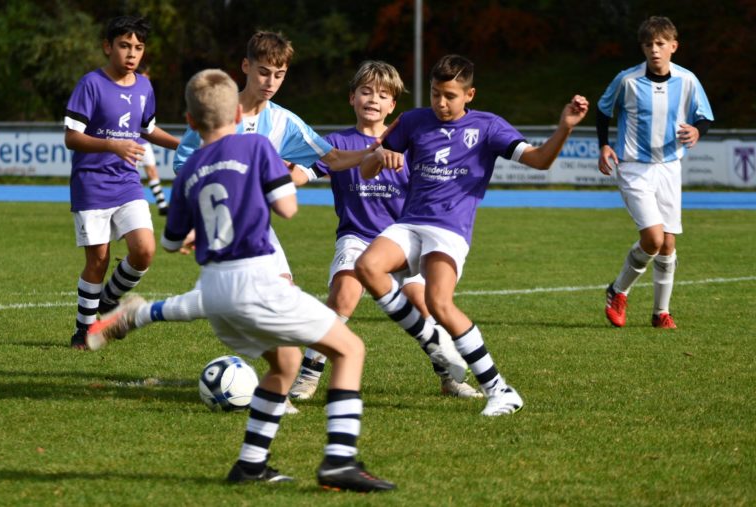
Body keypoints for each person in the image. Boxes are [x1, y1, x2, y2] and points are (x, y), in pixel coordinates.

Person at [139, 68, 394, 491]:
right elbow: (288, 208)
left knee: (285, 363)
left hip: (214, 291)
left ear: (188, 121)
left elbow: (169, 244)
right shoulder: (256, 145)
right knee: (349, 349)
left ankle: (250, 465)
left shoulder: (187, 171)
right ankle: (339, 460)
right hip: (254, 279)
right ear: (238, 115)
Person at [87, 31, 381, 347]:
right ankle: (281, 380)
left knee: (268, 294)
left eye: (279, 75)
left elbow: (333, 159)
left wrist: (372, 151)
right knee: (243, 298)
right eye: (264, 72)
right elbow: (185, 163)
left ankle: (141, 315)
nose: (270, 82)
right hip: (222, 225)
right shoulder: (217, 111)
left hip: (255, 226)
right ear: (246, 66)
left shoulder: (285, 122)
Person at [354, 54, 589, 416]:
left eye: (449, 95)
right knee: (367, 266)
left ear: (470, 94)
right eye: (435, 94)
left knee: (440, 303)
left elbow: (540, 161)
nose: (441, 103)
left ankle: (499, 389)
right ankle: (429, 337)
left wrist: (566, 127)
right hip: (411, 222)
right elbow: (368, 170)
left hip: (449, 230)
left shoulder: (489, 127)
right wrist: (382, 155)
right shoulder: (413, 121)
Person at [287, 60, 478, 401]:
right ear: (352, 98)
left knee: (424, 304)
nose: (373, 99)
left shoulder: (410, 141)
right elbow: (303, 174)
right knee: (344, 294)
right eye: (366, 91)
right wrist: (285, 178)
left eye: (383, 94)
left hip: (404, 238)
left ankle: (449, 377)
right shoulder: (335, 143)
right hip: (358, 236)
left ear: (393, 105)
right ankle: (308, 374)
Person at [63, 15, 178, 349]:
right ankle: (83, 332)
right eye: (125, 45)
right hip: (91, 183)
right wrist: (112, 144)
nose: (132, 53)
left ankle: (108, 301)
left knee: (144, 250)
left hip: (127, 182)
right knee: (97, 261)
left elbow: (147, 130)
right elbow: (72, 137)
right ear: (107, 46)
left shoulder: (144, 86)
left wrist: (183, 144)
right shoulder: (91, 84)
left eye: (138, 47)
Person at [597, 16, 713, 329]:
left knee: (668, 244)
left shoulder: (687, 80)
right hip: (633, 166)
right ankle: (618, 291)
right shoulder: (627, 80)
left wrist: (697, 132)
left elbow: (704, 117)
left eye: (661, 44)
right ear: (643, 48)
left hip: (669, 167)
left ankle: (661, 313)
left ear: (673, 46)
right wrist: (604, 146)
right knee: (652, 238)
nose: (655, 50)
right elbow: (603, 110)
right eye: (649, 44)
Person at [136, 66, 169, 216]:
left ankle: (162, 204)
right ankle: (132, 204)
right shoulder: (130, 91)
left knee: (152, 170)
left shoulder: (146, 92)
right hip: (130, 141)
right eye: (145, 75)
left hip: (144, 141)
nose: (148, 77)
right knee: (131, 174)